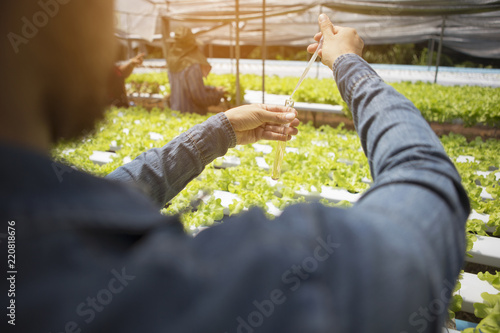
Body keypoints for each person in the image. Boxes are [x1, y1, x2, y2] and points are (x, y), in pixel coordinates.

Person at [0, 1, 469, 331]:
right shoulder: (198, 292)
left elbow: (119, 191)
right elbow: (424, 192)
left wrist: (222, 127)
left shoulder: (24, 243)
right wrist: (348, 64)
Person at [167, 26, 226, 114]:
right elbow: (199, 98)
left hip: (176, 113)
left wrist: (213, 89)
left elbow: (186, 89)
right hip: (191, 116)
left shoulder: (172, 62)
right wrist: (218, 95)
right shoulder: (192, 66)